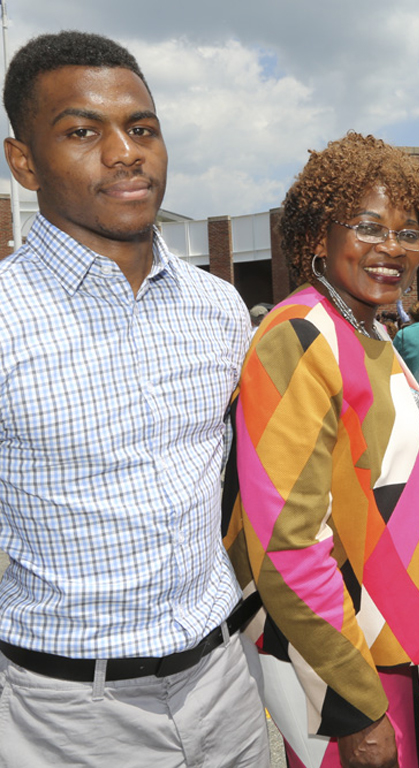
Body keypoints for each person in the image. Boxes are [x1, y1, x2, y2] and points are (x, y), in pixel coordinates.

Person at [0, 31, 268, 766]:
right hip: (70, 717)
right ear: (23, 161)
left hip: (226, 686)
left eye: (142, 127)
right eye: (83, 131)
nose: (125, 151)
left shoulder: (219, 311)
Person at [223, 131, 419, 768]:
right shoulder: (298, 335)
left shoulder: (370, 330)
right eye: (370, 227)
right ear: (318, 236)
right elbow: (288, 542)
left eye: (409, 232)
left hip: (382, 639)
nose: (392, 249)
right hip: (336, 661)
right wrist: (354, 702)